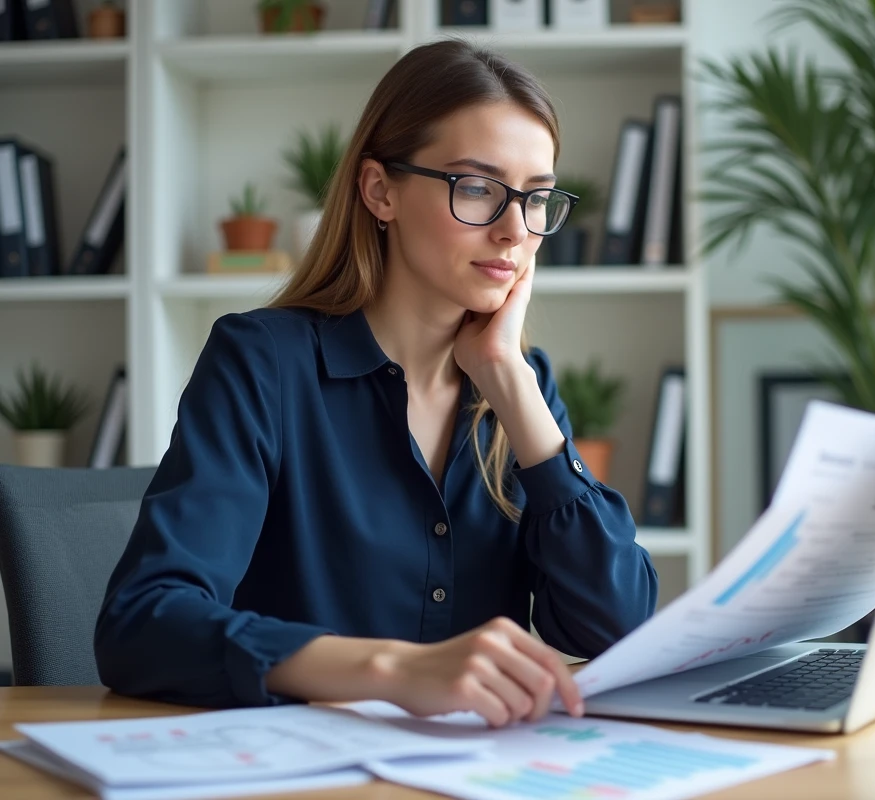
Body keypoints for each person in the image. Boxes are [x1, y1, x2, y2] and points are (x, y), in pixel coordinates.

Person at [93, 39, 659, 727]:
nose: (516, 231)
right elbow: (143, 623)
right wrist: (389, 671)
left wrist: (510, 383)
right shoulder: (264, 361)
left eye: (536, 198)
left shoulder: (520, 383)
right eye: (478, 188)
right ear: (380, 190)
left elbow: (617, 628)